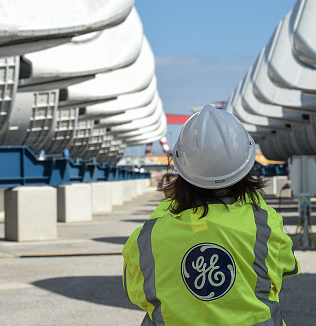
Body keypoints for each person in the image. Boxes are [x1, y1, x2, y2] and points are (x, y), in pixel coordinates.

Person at [122, 105, 300, 325]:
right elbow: (285, 268)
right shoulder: (264, 225)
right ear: (246, 166)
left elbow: (137, 294)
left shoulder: (147, 238)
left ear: (180, 167)